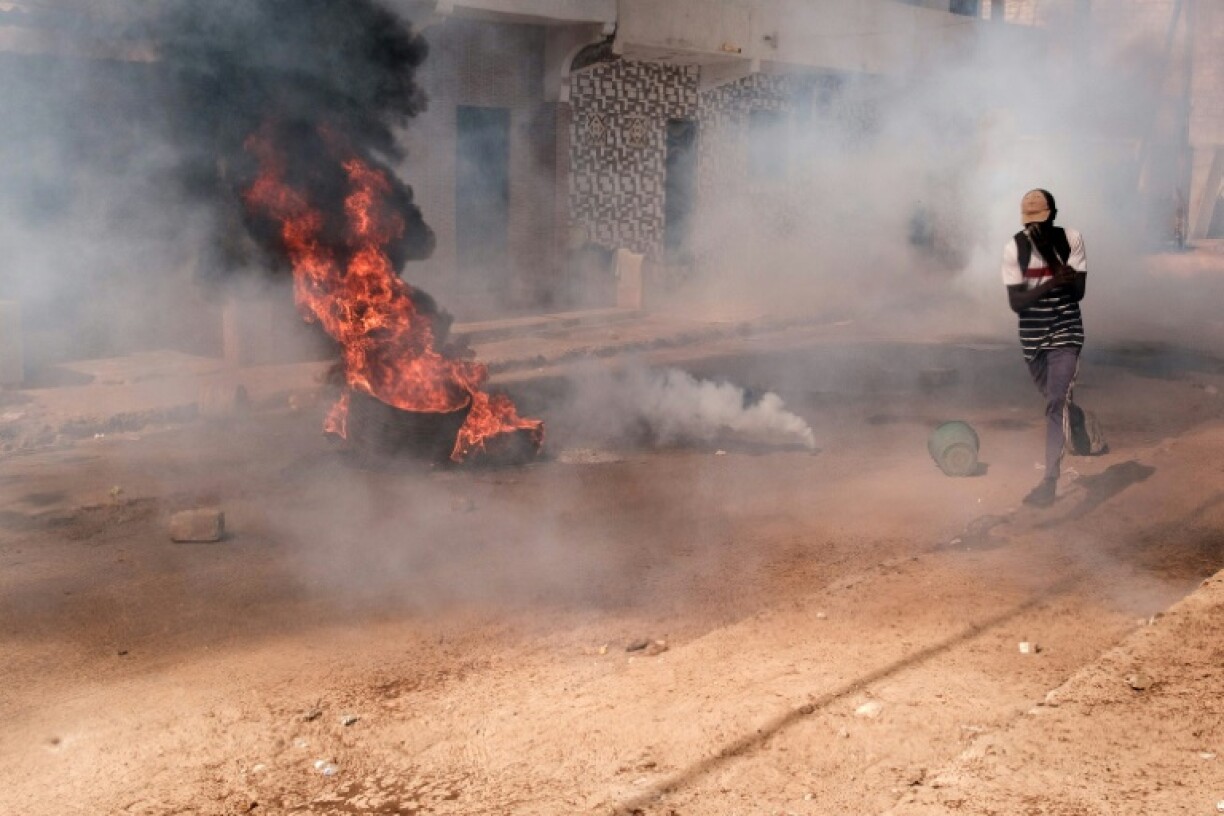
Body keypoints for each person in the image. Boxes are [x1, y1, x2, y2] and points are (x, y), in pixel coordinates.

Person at [1001, 189, 1087, 507]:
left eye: (1041, 220)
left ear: (1053, 215)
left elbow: (1078, 293)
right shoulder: (1015, 248)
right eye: (1031, 222)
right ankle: (1072, 414)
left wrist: (1062, 269)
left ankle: (1049, 481)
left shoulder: (1071, 240)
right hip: (1033, 339)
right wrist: (1053, 281)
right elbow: (1016, 302)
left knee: (1053, 403)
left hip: (1066, 332)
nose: (1036, 228)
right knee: (1054, 401)